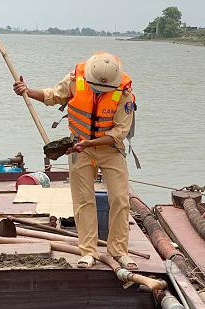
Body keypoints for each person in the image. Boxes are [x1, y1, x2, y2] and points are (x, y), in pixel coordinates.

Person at [13, 52, 137, 270]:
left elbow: (119, 132)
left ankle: (119, 251)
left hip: (110, 148)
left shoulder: (124, 93)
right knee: (83, 199)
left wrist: (89, 144)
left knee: (119, 198)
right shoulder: (75, 79)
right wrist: (28, 91)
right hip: (79, 145)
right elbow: (54, 96)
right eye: (96, 87)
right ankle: (88, 251)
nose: (100, 91)